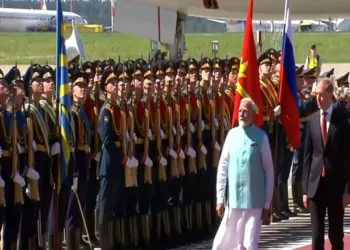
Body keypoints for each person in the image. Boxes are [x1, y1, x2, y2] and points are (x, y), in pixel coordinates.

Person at [212, 97, 274, 250]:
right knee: (224, 243)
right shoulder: (231, 135)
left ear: (253, 114)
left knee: (250, 244)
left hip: (255, 204)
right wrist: (220, 198)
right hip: (233, 203)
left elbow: (269, 171)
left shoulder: (261, 137)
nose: (241, 114)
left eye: (245, 111)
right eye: (240, 111)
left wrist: (267, 205)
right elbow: (223, 167)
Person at [303, 78, 350, 250]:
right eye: (316, 96)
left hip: (336, 187)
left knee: (336, 235)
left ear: (330, 94)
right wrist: (305, 189)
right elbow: (307, 156)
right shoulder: (312, 120)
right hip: (316, 186)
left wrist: (347, 190)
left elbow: (347, 157)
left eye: (321, 95)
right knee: (316, 236)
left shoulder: (342, 119)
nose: (318, 99)